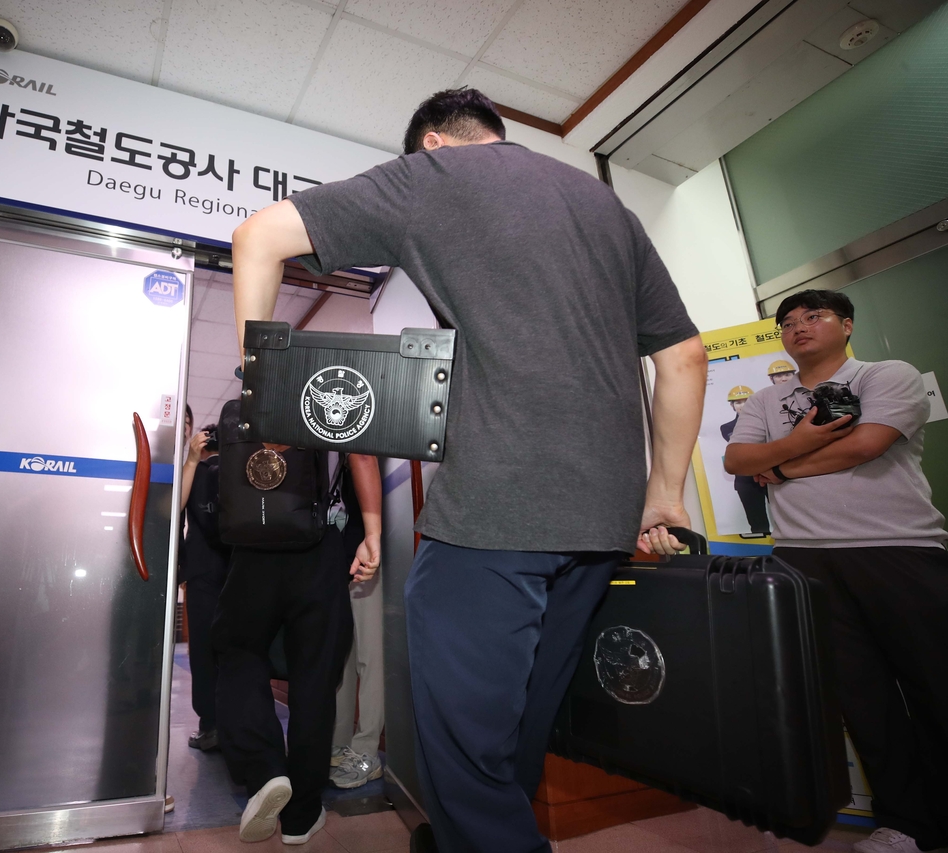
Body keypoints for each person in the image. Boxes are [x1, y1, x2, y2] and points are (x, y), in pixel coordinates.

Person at [230, 88, 706, 852]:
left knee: (461, 745)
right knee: (520, 720)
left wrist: (259, 380)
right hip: (604, 513)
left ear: (433, 145)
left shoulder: (430, 177)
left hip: (496, 505)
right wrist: (664, 493)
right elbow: (683, 354)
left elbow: (257, 237)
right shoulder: (605, 207)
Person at [725, 290, 948, 853]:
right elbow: (735, 462)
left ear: (846, 325)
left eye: (815, 316)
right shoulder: (765, 400)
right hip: (803, 556)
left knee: (936, 687)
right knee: (863, 700)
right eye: (788, 322)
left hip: (899, 547)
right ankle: (907, 825)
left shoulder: (883, 375)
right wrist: (789, 448)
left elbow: (866, 445)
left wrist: (779, 462)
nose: (799, 326)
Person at [210, 449, 382, 845]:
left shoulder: (257, 386)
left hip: (254, 545)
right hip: (319, 546)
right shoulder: (336, 386)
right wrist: (370, 536)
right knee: (316, 677)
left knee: (238, 652)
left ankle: (266, 772)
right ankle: (301, 816)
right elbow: (361, 457)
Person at [329, 459, 385, 791]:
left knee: (370, 656)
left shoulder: (362, 432)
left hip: (366, 552)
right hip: (337, 556)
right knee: (343, 657)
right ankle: (338, 746)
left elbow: (368, 464)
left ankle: (367, 752)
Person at [178, 407, 228, 753]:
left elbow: (174, 517)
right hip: (235, 568)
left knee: (203, 654)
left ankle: (210, 726)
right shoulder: (237, 473)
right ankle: (233, 725)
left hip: (200, 572)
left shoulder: (192, 472)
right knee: (234, 653)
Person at [721, 385, 771, 534]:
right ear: (732, 406)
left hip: (773, 476)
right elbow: (743, 449)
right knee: (757, 524)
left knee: (788, 520)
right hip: (746, 481)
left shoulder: (770, 421)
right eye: (738, 402)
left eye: (747, 401)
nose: (743, 405)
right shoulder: (727, 427)